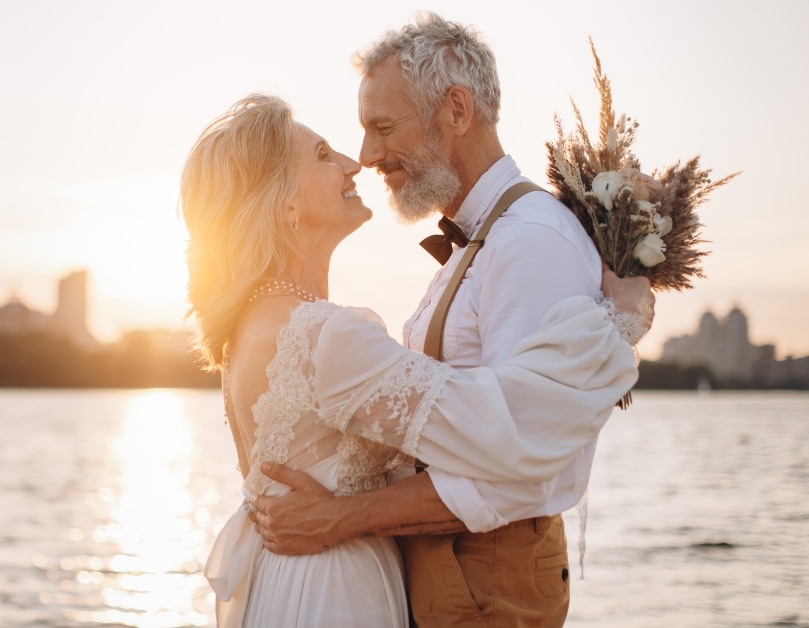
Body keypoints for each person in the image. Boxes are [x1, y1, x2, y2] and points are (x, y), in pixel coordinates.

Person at [180, 93, 652, 626]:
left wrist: (344, 515)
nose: (352, 162)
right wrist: (619, 321)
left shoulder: (251, 326)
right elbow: (498, 423)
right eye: (322, 155)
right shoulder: (321, 337)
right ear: (285, 203)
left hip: (286, 581)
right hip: (335, 590)